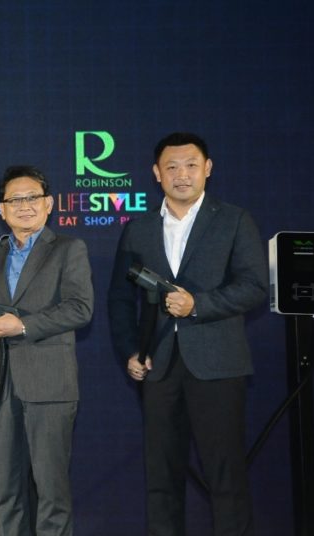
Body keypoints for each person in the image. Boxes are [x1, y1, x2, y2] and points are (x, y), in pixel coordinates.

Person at [107, 132, 268, 535]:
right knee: (161, 477)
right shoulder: (139, 228)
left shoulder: (234, 220)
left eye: (191, 165)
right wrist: (130, 350)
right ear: (156, 173)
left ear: (207, 169)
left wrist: (198, 304)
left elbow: (254, 286)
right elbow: (120, 299)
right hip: (158, 368)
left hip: (218, 365)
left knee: (225, 476)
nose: (182, 175)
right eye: (172, 167)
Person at [0, 165, 93, 536]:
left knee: (52, 492)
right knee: (5, 491)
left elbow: (80, 308)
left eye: (32, 198)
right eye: (15, 200)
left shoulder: (69, 249)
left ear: (49, 204)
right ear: (2, 210)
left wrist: (22, 325)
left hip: (50, 385)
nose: (24, 206)